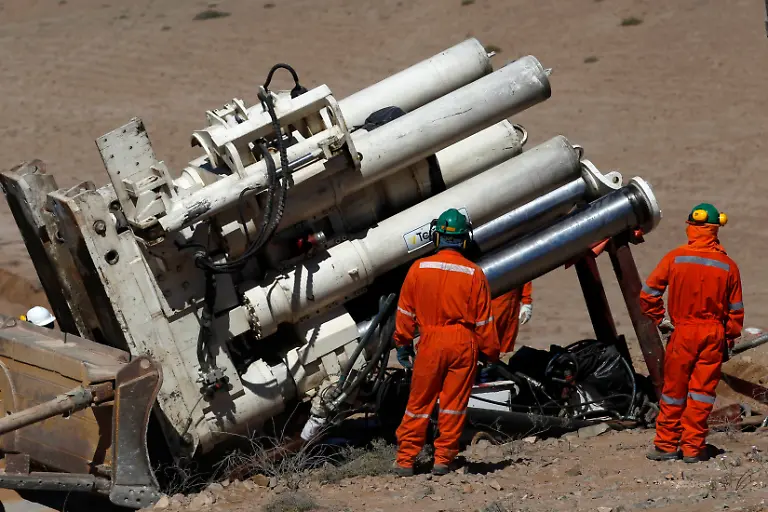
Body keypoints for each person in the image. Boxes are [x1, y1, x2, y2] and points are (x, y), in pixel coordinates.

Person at [393, 208, 500, 477]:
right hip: (463, 343)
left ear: (437, 236)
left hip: (430, 341)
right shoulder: (474, 273)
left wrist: (403, 344)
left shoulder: (418, 269)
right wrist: (490, 354)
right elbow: (485, 321)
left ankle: (406, 460)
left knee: (419, 403)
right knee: (453, 404)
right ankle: (443, 460)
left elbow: (405, 312)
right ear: (465, 239)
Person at [640, 203, 743, 463]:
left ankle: (665, 446)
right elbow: (735, 311)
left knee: (674, 391)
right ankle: (693, 449)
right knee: (701, 394)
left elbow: (648, 294)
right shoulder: (728, 266)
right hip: (713, 335)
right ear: (716, 229)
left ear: (691, 226)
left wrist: (661, 320)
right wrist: (728, 338)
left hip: (683, 333)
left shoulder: (675, 258)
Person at [492, 282, 533, 354]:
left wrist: (526, 302)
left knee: (507, 345)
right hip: (493, 304)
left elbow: (524, 275)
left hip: (512, 306)